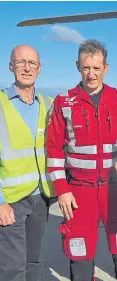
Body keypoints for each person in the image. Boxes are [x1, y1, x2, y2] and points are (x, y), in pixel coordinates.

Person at [46, 39, 117, 281]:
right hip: (79, 193)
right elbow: (54, 150)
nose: (91, 74)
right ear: (78, 67)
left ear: (106, 68)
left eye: (96, 68)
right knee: (79, 254)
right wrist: (61, 190)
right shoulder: (64, 102)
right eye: (86, 67)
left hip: (116, 191)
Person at [0, 45, 54, 281]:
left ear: (40, 69)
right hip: (11, 199)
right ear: (11, 66)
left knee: (34, 260)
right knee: (12, 267)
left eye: (32, 63)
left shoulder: (49, 104)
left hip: (40, 196)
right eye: (21, 62)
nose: (27, 67)